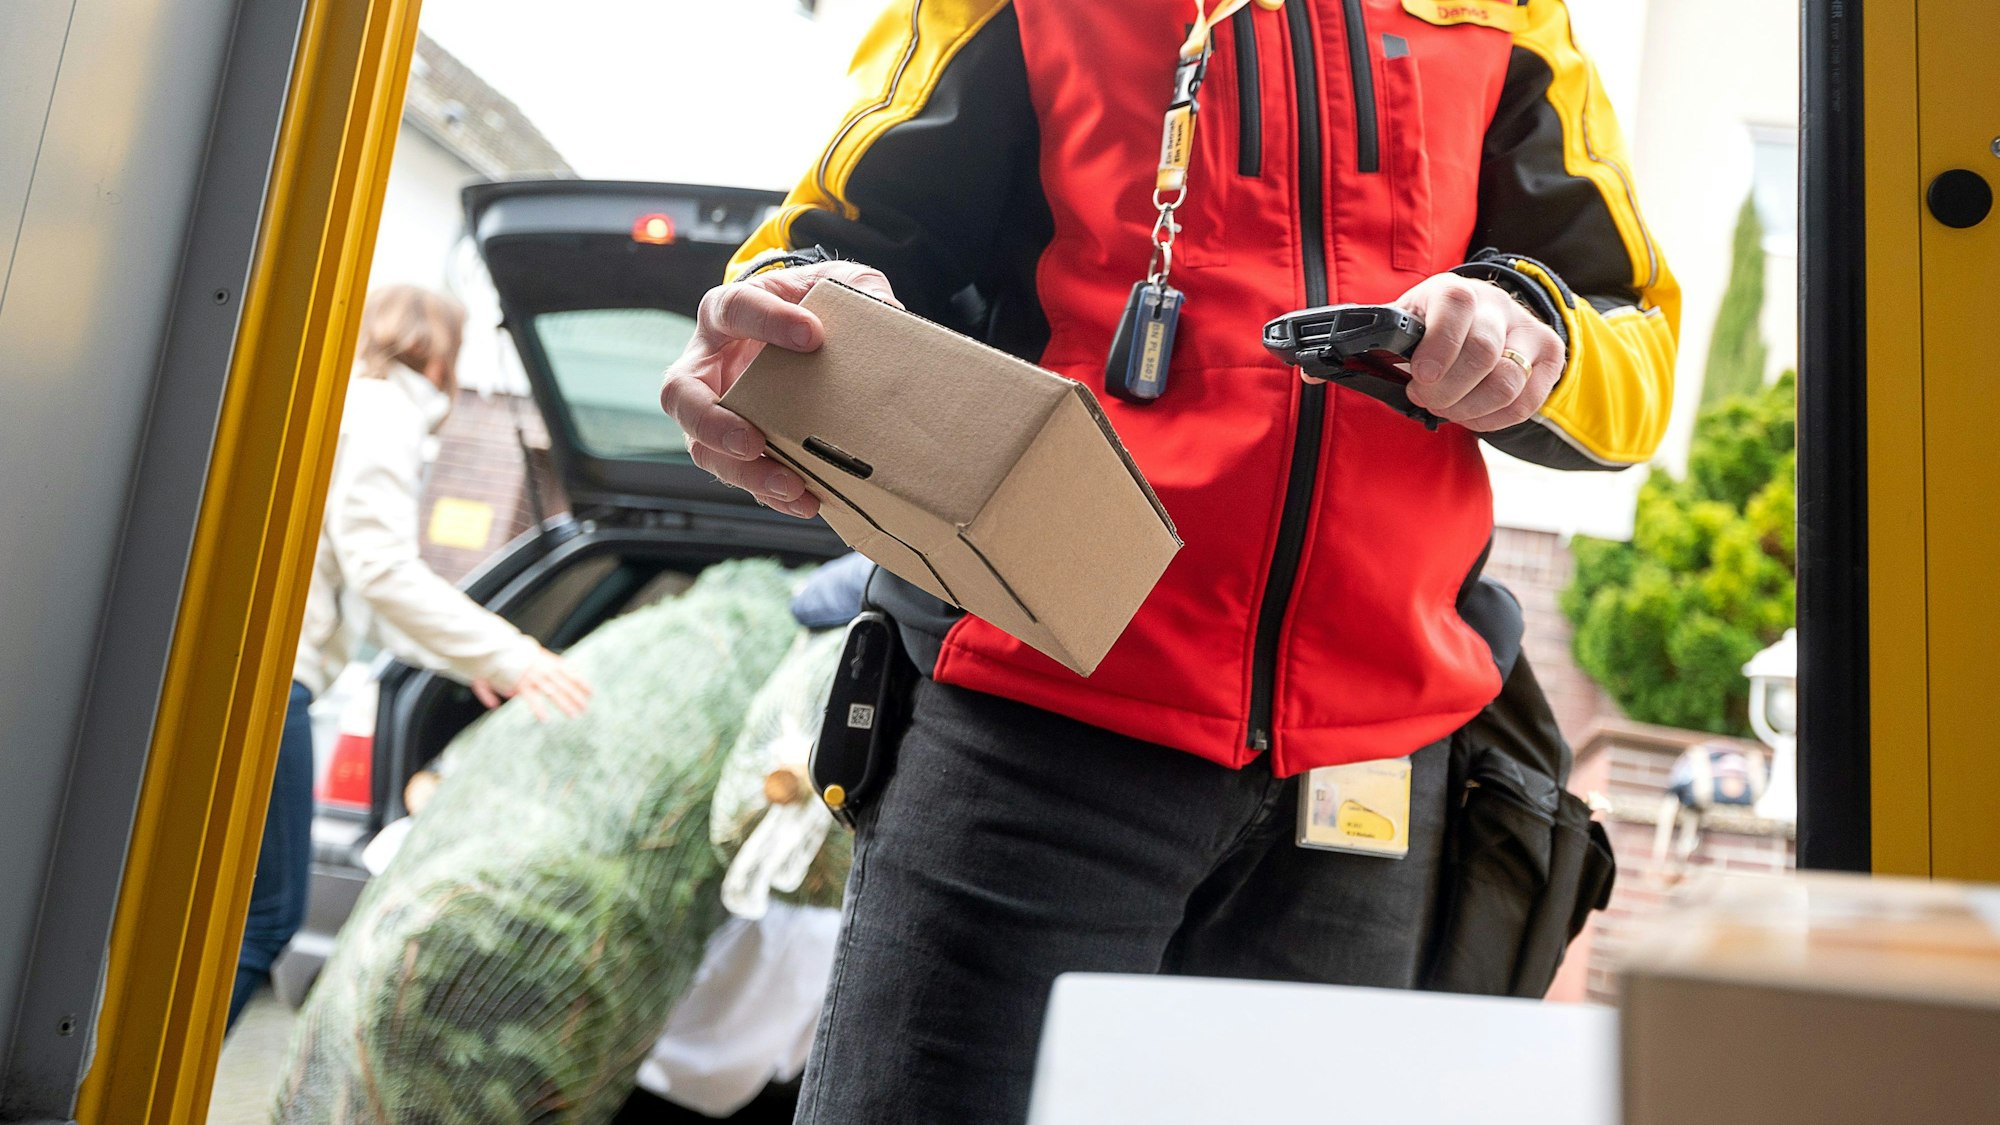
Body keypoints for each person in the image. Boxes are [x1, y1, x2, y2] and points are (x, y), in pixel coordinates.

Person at [660, 2, 1678, 1120]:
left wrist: (1529, 324)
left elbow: (1631, 337)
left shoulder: (1509, 16)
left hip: (1370, 776)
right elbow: (840, 243)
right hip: (1034, 724)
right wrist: (794, 309)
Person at [230, 285, 592, 1028]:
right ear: (439, 355)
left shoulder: (347, 403)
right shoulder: (387, 413)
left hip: (249, 673)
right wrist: (516, 656)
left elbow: (366, 599)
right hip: (275, 686)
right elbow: (382, 571)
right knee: (265, 919)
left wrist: (473, 662)